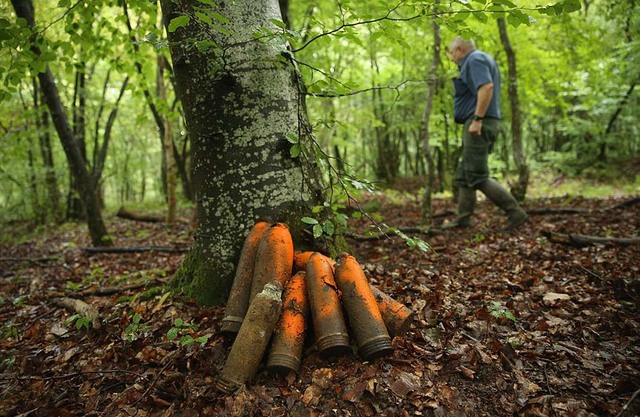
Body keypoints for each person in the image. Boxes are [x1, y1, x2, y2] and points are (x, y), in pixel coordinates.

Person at [442, 36, 528, 231]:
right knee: (465, 174)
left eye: (452, 52)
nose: (451, 57)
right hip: (477, 121)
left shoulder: (475, 59)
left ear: (460, 49)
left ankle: (516, 213)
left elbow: (486, 87)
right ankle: (463, 218)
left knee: (477, 176)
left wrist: (478, 119)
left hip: (479, 122)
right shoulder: (479, 59)